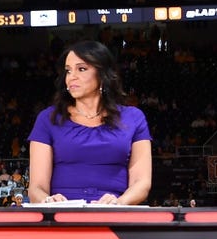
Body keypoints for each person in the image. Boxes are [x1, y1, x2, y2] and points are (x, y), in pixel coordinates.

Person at [27, 40, 152, 205]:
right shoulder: (48, 118)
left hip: (114, 214)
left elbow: (141, 182)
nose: (72, 77)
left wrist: (119, 202)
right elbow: (36, 187)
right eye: (68, 71)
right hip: (62, 216)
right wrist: (49, 201)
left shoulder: (134, 118)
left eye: (82, 69)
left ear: (102, 74)